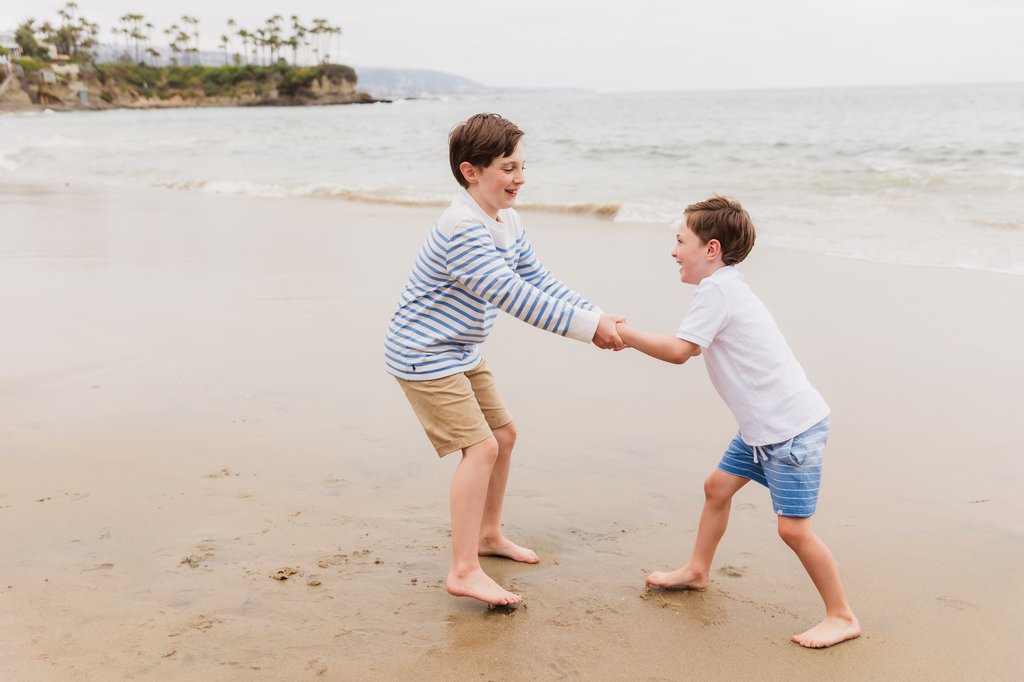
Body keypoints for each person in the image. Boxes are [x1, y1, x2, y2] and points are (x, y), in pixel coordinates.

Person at [385, 113, 625, 606]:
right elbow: (511, 295)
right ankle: (463, 569)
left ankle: (488, 536)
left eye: (522, 166)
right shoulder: (462, 228)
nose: (520, 178)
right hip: (424, 352)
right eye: (508, 168)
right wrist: (587, 330)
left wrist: (595, 313)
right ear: (471, 172)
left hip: (460, 349)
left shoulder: (505, 220)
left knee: (503, 436)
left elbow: (538, 278)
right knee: (482, 448)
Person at [616, 196, 860, 648]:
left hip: (788, 430)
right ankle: (697, 570)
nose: (673, 251)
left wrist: (625, 335)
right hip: (761, 429)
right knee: (717, 488)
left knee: (793, 529)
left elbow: (679, 351)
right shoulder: (726, 286)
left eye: (679, 240)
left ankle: (842, 615)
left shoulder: (717, 290)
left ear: (711, 249)